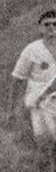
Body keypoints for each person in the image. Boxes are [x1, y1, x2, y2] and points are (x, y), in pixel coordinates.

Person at [9, 9, 56, 141]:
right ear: (41, 28)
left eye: (55, 24)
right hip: (39, 103)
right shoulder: (32, 50)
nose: (51, 28)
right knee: (45, 143)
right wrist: (13, 109)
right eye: (47, 25)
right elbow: (17, 79)